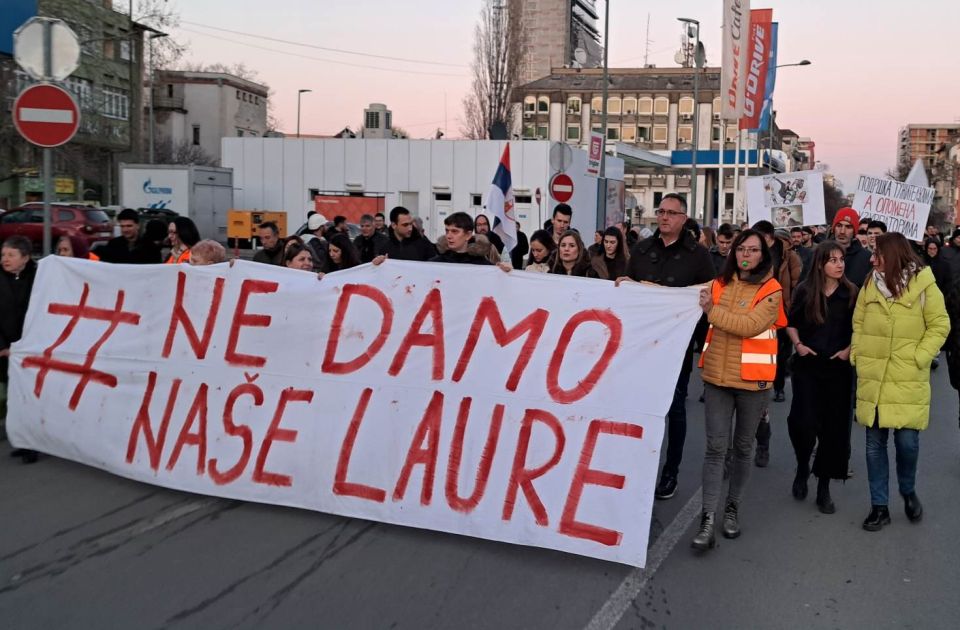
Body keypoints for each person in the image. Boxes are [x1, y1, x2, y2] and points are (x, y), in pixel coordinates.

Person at [692, 229, 785, 550]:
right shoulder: (719, 283)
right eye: (740, 249)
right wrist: (633, 287)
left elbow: (749, 325)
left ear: (763, 255)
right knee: (716, 449)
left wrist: (712, 312)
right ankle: (707, 518)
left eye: (753, 250)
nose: (745, 254)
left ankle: (731, 509)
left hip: (753, 383)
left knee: (743, 448)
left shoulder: (772, 290)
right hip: (717, 378)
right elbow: (678, 292)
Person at [619, 192, 715, 500]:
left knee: (674, 408)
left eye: (672, 213)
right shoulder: (642, 249)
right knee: (639, 406)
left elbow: (708, 297)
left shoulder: (698, 256)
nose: (664, 217)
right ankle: (635, 466)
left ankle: (670, 470)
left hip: (677, 345)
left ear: (683, 219)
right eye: (661, 211)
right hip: (642, 345)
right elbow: (629, 290)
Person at [851, 232, 949, 532]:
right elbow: (858, 322)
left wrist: (920, 356)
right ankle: (879, 507)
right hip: (874, 376)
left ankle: (907, 490)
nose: (871, 259)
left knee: (907, 443)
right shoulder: (870, 284)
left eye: (876, 254)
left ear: (891, 255)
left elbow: (940, 324)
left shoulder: (924, 284)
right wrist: (858, 353)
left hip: (906, 376)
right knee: (873, 445)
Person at [785, 241, 858, 513]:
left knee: (832, 430)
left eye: (841, 260)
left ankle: (824, 487)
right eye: (833, 260)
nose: (839, 264)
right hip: (809, 368)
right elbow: (791, 322)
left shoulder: (851, 293)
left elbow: (859, 329)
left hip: (838, 371)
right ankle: (803, 465)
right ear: (820, 264)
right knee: (802, 424)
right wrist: (799, 345)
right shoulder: (806, 290)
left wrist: (848, 350)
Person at [1, 236, 38, 463]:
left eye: (10, 255)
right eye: (3, 255)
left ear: (25, 258)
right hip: (5, 349)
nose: (5, 259)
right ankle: (20, 439)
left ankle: (31, 444)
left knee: (28, 397)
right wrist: (3, 347)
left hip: (29, 348)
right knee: (11, 398)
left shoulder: (39, 277)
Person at [429, 212, 504, 266]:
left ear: (468, 235)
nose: (448, 236)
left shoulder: (482, 265)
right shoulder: (435, 264)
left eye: (454, 231)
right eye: (447, 231)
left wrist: (505, 272)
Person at [97, 208, 162, 264]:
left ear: (138, 225)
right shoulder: (113, 245)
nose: (125, 230)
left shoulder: (150, 247)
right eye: (122, 226)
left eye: (129, 226)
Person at [831, 207, 872, 287]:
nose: (842, 231)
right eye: (839, 226)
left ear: (854, 231)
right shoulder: (820, 253)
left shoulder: (866, 257)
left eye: (848, 227)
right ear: (833, 228)